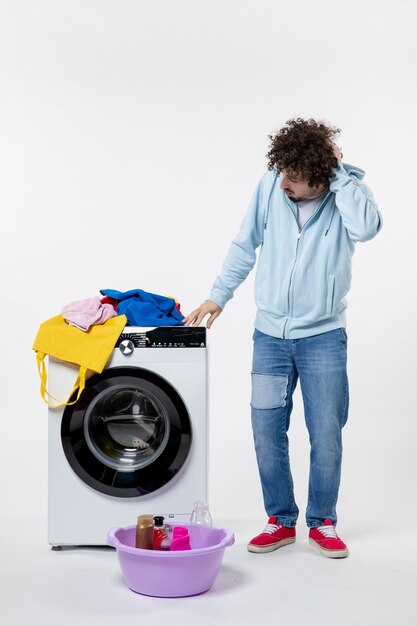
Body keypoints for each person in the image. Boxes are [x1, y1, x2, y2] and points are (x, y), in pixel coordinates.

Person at [183, 118, 382, 559]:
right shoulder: (271, 185)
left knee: (326, 432)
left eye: (297, 176)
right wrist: (218, 296)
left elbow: (368, 228)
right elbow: (244, 243)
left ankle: (323, 522)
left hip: (324, 337)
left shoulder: (346, 195)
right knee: (265, 429)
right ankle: (280, 519)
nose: (285, 182)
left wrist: (339, 172)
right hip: (270, 336)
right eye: (283, 171)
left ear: (322, 176)